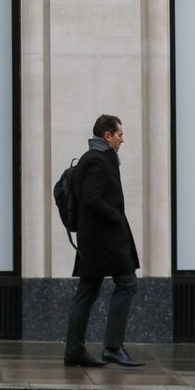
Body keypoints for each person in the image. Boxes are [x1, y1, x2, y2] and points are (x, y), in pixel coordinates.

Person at [64, 115, 143, 368]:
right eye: (119, 134)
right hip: (104, 239)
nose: (123, 138)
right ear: (107, 136)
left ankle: (75, 351)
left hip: (97, 239)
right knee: (127, 283)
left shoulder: (96, 158)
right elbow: (92, 198)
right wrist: (117, 217)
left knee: (87, 291)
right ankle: (112, 347)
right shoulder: (98, 160)